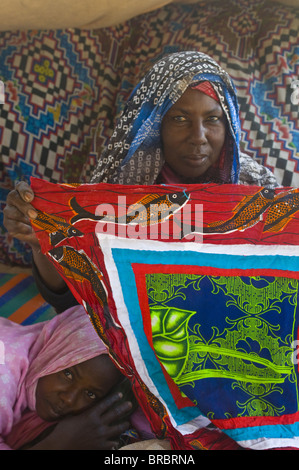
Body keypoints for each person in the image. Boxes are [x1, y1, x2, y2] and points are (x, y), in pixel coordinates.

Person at [3, 51, 279, 313]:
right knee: (96, 364)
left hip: (226, 323)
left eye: (213, 119)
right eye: (180, 118)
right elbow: (73, 301)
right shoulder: (118, 189)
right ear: (154, 125)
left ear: (229, 123)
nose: (198, 136)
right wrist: (40, 240)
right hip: (131, 327)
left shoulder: (258, 191)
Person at [0, 305, 135, 450]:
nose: (69, 399)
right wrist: (56, 445)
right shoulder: (5, 371)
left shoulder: (35, 361)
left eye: (90, 394)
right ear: (53, 351)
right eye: (68, 374)